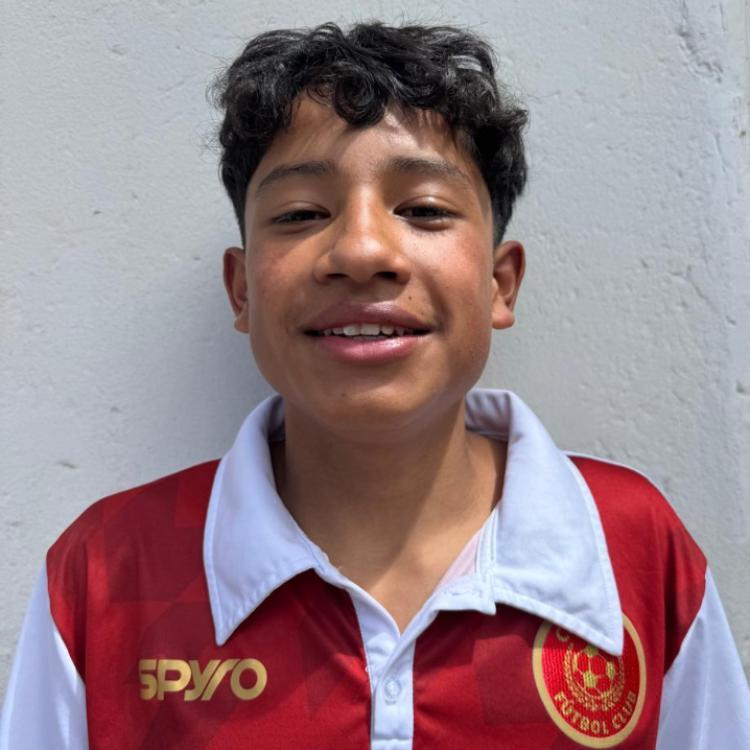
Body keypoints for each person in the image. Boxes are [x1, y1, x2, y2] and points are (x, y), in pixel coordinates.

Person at [1, 20, 748, 750]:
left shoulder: (634, 551)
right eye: (301, 213)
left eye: (423, 210)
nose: (361, 251)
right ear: (241, 291)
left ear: (500, 283)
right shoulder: (108, 573)